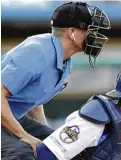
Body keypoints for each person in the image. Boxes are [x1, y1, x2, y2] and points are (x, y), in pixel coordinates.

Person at [1, 2, 111, 159]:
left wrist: (50, 139)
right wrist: (23, 135)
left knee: (65, 148)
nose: (95, 35)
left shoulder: (65, 59)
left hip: (11, 115)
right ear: (72, 32)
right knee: (22, 153)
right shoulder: (37, 51)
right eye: (90, 30)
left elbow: (35, 101)